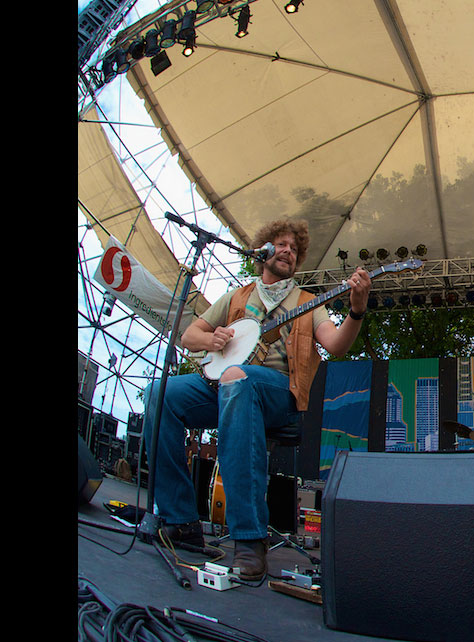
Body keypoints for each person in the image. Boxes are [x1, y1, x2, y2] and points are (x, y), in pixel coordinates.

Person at [142, 218, 371, 581]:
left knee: (238, 379)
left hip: (278, 390)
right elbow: (189, 335)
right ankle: (179, 519)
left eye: (294, 249)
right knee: (160, 393)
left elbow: (336, 345)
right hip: (222, 384)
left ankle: (250, 539)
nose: (288, 252)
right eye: (280, 244)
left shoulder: (308, 302)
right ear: (263, 250)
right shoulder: (238, 295)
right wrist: (212, 340)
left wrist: (356, 309)